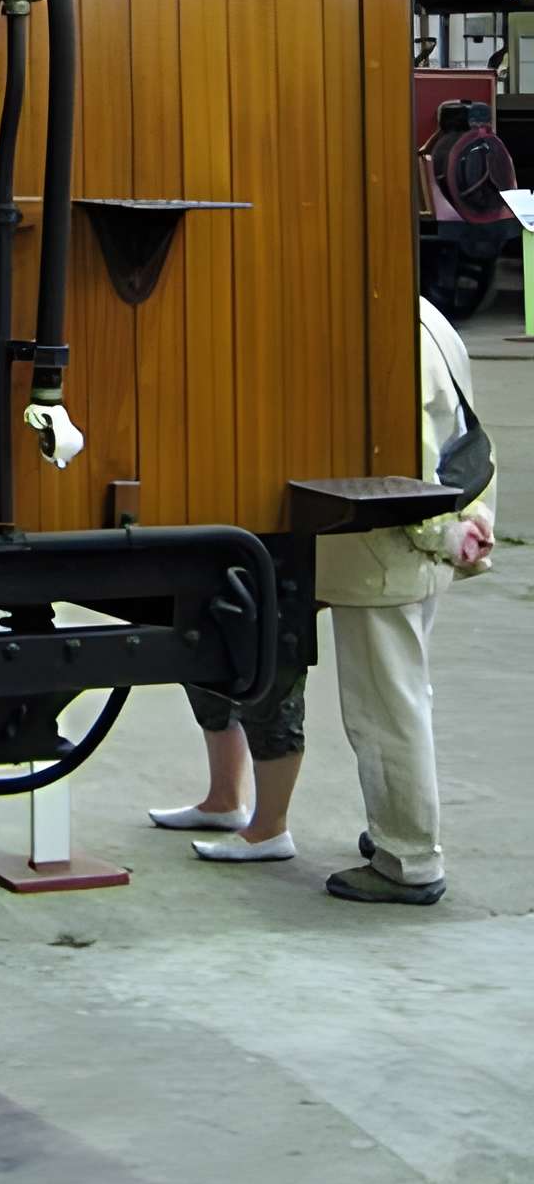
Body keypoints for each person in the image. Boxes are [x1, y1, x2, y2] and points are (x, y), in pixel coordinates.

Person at [148, 294, 496, 904]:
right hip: (421, 544)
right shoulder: (427, 315)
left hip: (384, 549)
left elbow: (403, 472)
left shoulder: (385, 335)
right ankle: (400, 831)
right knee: (403, 698)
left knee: (385, 710)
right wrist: (463, 529)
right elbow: (458, 434)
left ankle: (408, 860)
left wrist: (442, 533)